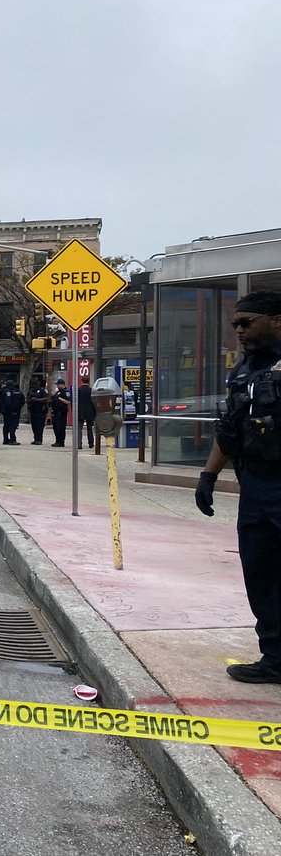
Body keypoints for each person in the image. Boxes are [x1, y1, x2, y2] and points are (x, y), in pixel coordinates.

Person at [195, 290, 281, 684]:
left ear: (276, 320)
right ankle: (274, 658)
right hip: (257, 485)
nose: (239, 331)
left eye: (247, 323)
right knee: (260, 572)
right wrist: (208, 476)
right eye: (235, 325)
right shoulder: (245, 371)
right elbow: (230, 428)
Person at [0, 378, 25, 445]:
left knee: (6, 425)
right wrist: (12, 409)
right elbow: (8, 402)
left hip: (5, 411)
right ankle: (12, 440)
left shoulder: (3, 390)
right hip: (9, 411)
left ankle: (6, 439)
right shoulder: (8, 391)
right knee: (12, 425)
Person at [27, 375, 51, 445]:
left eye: (36, 384)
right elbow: (27, 398)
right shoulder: (30, 391)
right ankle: (35, 439)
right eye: (33, 384)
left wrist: (36, 400)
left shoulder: (42, 390)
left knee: (40, 426)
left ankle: (39, 439)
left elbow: (46, 398)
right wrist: (29, 400)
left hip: (41, 411)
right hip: (33, 411)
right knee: (34, 426)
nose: (34, 385)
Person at [50, 379, 72, 447]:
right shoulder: (58, 392)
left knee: (61, 427)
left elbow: (68, 402)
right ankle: (57, 441)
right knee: (55, 427)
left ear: (62, 384)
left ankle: (61, 442)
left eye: (58, 384)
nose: (57, 386)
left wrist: (60, 398)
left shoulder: (66, 392)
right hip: (55, 412)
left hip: (61, 412)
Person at [77, 375, 96, 450]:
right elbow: (94, 402)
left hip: (80, 411)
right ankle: (91, 443)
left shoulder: (78, 390)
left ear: (81, 381)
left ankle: (79, 444)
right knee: (90, 428)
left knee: (79, 428)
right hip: (90, 411)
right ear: (89, 381)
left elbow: (75, 401)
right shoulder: (91, 390)